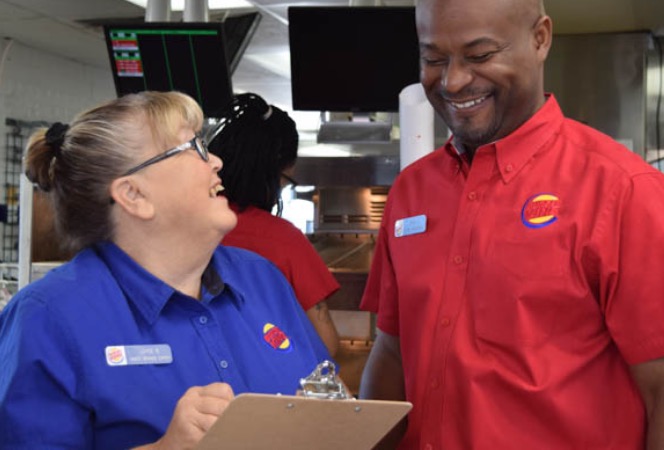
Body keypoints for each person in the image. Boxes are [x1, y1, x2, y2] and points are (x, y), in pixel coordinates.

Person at [359, 0, 664, 449]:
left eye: (480, 56)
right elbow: (391, 351)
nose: (453, 81)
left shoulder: (624, 191)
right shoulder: (411, 192)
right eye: (434, 58)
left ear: (540, 38)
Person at [0, 91, 331, 449]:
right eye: (193, 148)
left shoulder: (262, 279)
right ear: (134, 195)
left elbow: (328, 402)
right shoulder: (47, 317)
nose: (216, 162)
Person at [207, 93, 341, 357]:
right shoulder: (282, 239)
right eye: (284, 181)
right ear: (272, 174)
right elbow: (325, 345)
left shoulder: (181, 226)